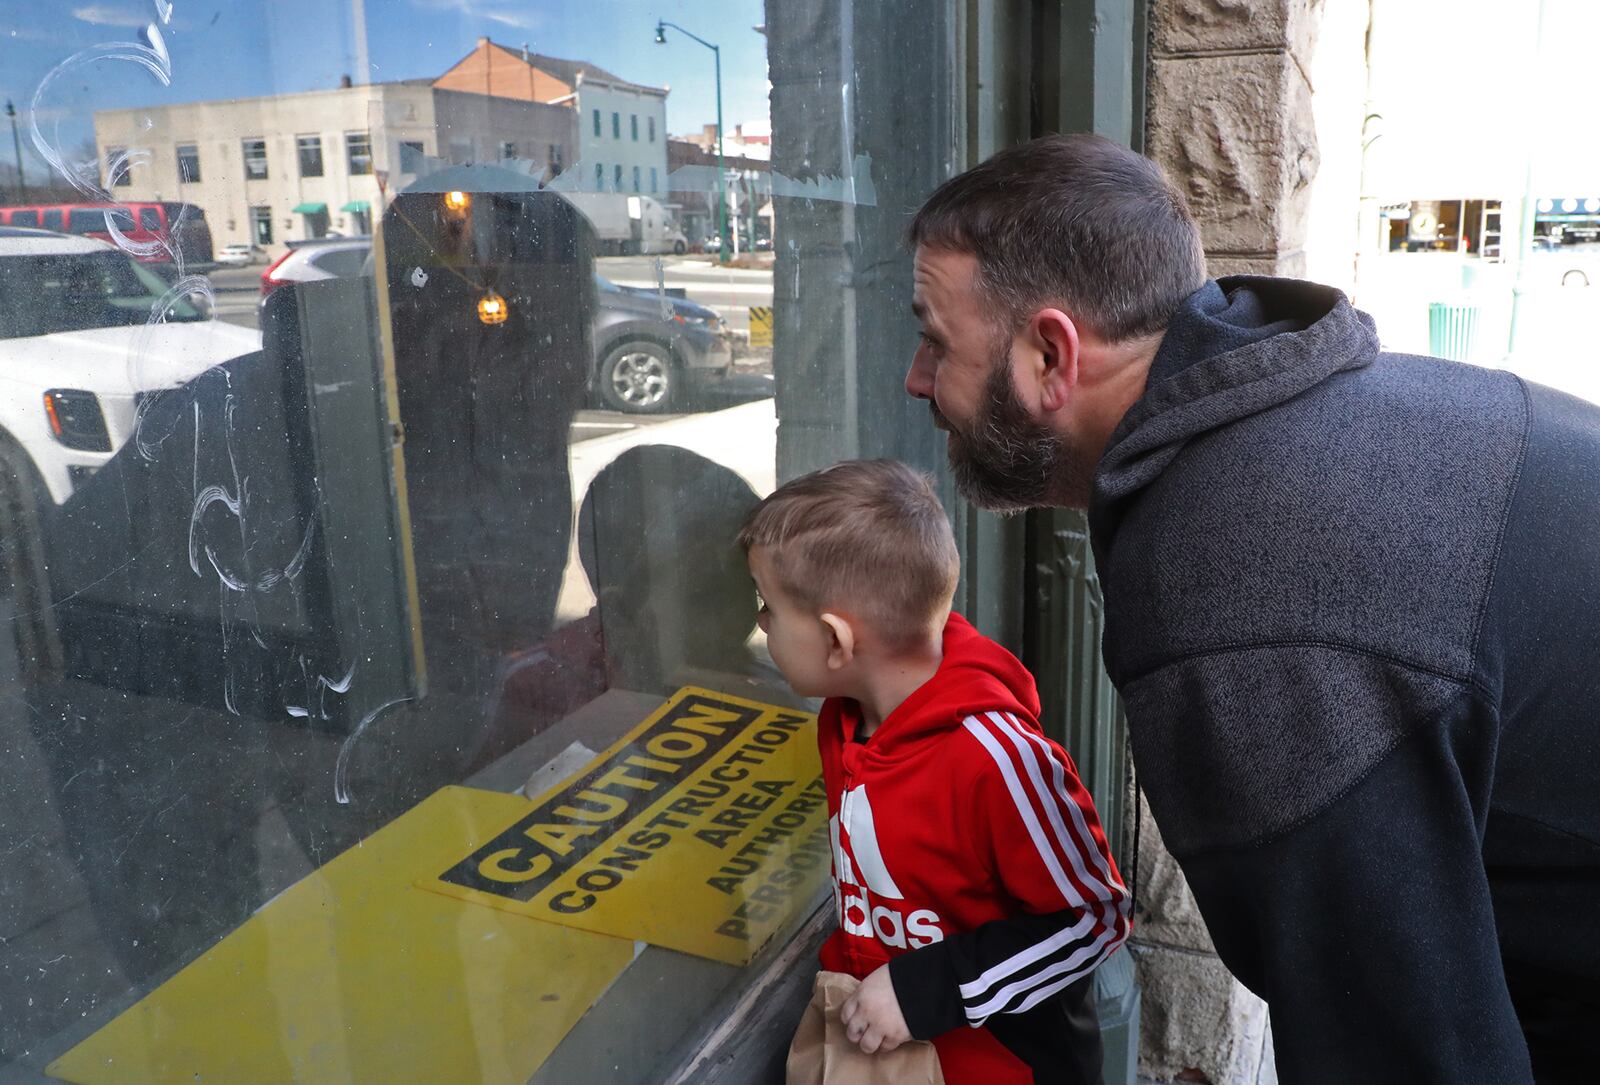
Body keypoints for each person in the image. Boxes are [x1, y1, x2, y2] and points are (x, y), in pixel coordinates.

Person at [902, 132, 1600, 1083]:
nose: (915, 378)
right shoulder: (1307, 409)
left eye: (936, 340)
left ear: (1051, 353)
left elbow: (1407, 1055)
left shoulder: (1237, 603)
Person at [739, 458, 1130, 1084]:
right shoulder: (846, 719)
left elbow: (1094, 918)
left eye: (769, 607)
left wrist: (928, 989)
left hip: (999, 1064)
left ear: (838, 642)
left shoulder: (1000, 759)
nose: (760, 622)